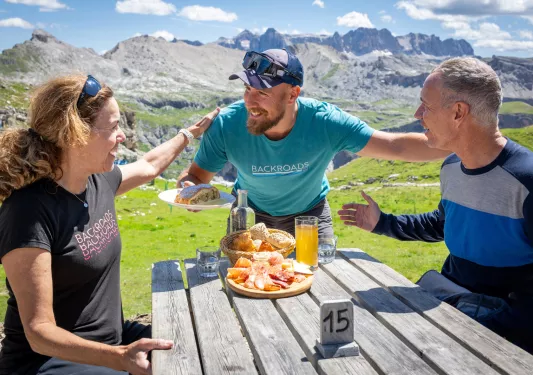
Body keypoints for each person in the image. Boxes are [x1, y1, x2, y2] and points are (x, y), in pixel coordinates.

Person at [0, 74, 219, 374]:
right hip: (48, 361)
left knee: (200, 344)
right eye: (114, 127)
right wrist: (119, 358)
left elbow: (150, 165)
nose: (123, 137)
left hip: (112, 341)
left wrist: (189, 133)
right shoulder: (27, 212)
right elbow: (39, 332)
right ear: (75, 134)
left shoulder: (99, 180)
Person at [338, 57, 533, 353]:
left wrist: (488, 331)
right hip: (454, 303)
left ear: (458, 112)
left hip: (502, 329)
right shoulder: (452, 166)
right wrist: (383, 222)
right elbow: (443, 224)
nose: (418, 114)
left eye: (425, 106)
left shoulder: (526, 180)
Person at [178, 48, 450, 236]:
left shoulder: (325, 121)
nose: (250, 101)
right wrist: (188, 190)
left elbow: (395, 146)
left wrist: (462, 144)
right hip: (249, 215)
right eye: (247, 89)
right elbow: (195, 176)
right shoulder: (226, 124)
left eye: (261, 92)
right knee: (246, 288)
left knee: (317, 288)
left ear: (292, 94)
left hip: (311, 216)